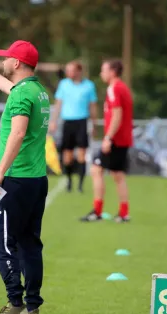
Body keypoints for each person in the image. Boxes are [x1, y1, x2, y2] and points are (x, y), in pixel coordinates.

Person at [0, 40, 50, 314]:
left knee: (2, 241)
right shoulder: (37, 91)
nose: (4, 61)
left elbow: (17, 134)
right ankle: (33, 307)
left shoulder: (21, 96)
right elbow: (15, 92)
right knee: (29, 243)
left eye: (6, 58)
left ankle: (15, 303)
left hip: (15, 180)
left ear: (17, 63)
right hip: (36, 180)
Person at [80, 59, 133, 223]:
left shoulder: (114, 88)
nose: (101, 74)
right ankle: (123, 213)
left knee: (96, 170)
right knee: (118, 175)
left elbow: (117, 115)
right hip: (122, 138)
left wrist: (108, 138)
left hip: (115, 139)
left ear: (113, 72)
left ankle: (97, 211)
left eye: (104, 70)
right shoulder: (122, 87)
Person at [49, 61, 98, 193]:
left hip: (82, 121)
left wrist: (94, 123)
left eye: (71, 70)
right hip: (68, 122)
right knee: (67, 155)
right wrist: (53, 120)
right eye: (67, 70)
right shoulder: (64, 85)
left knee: (82, 154)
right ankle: (69, 181)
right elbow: (58, 103)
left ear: (78, 71)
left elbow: (92, 106)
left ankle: (80, 185)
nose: (68, 72)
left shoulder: (89, 86)